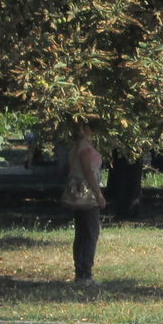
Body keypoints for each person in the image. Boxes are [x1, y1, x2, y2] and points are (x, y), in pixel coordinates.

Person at [62, 122, 106, 286]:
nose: (94, 130)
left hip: (81, 193)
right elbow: (88, 172)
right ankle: (85, 273)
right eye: (91, 126)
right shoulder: (84, 147)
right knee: (90, 232)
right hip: (86, 194)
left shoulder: (79, 145)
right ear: (84, 128)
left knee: (82, 232)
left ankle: (81, 272)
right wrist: (99, 194)